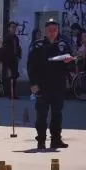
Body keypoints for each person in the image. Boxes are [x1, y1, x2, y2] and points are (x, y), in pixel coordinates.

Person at [27, 19, 72, 150]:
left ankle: (56, 140)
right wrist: (33, 84)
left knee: (57, 114)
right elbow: (31, 66)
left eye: (55, 30)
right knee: (41, 115)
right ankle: (41, 140)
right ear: (46, 31)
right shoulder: (38, 46)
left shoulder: (63, 45)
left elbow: (70, 65)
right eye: (50, 30)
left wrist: (69, 62)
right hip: (42, 85)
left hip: (58, 85)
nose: (53, 33)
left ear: (58, 31)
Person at [0, 21, 23, 98]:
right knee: (10, 78)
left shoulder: (16, 37)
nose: (14, 29)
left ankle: (13, 94)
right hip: (8, 61)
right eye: (12, 27)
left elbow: (17, 47)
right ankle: (9, 93)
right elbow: (6, 50)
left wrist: (18, 55)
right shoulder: (7, 38)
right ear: (9, 28)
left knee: (14, 77)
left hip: (14, 60)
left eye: (15, 27)